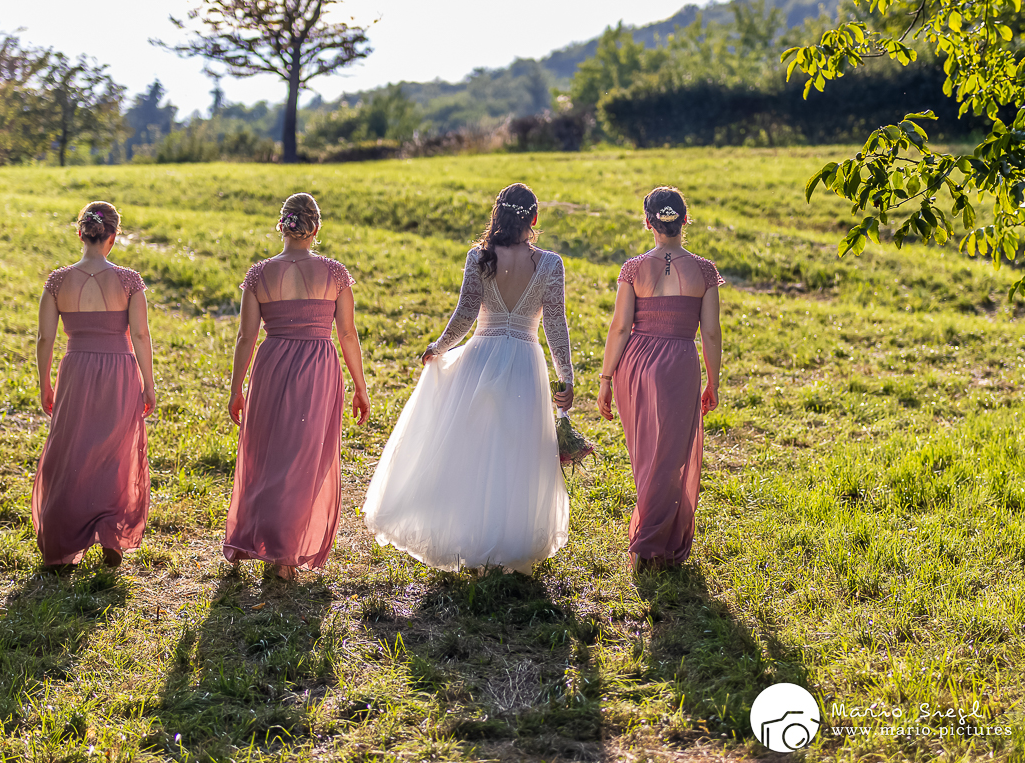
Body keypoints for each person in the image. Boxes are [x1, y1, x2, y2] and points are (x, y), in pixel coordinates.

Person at [363, 183, 574, 574]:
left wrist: (439, 347)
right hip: (526, 361)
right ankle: (508, 545)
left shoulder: (480, 257)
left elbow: (465, 314)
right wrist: (567, 378)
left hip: (481, 355)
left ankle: (473, 539)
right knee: (516, 451)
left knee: (475, 448)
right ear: (534, 218)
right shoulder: (550, 264)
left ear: (498, 214)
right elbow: (556, 326)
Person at [225, 192, 370, 581]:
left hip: (272, 364)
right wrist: (361, 386)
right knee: (304, 458)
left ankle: (260, 539)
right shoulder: (334, 274)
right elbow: (348, 334)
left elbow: (245, 338)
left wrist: (236, 388)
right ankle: (285, 553)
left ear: (282, 225)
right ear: (315, 228)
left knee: (266, 453)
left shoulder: (259, 275)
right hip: (318, 368)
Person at [597, 186, 724, 572]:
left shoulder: (633, 269)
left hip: (635, 363)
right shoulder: (704, 271)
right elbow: (712, 333)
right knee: (670, 454)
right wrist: (713, 382)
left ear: (647, 221)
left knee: (646, 452)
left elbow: (620, 328)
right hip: (679, 362)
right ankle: (652, 543)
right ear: (685, 220)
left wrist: (605, 377)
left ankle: (648, 542)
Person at [32, 201, 155, 569]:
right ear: (112, 237)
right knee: (115, 450)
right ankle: (110, 531)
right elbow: (142, 334)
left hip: (76, 370)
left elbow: (44, 339)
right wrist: (149, 384)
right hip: (119, 367)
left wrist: (45, 384)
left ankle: (66, 534)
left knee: (71, 448)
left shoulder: (57, 281)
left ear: (80, 233)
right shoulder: (129, 281)